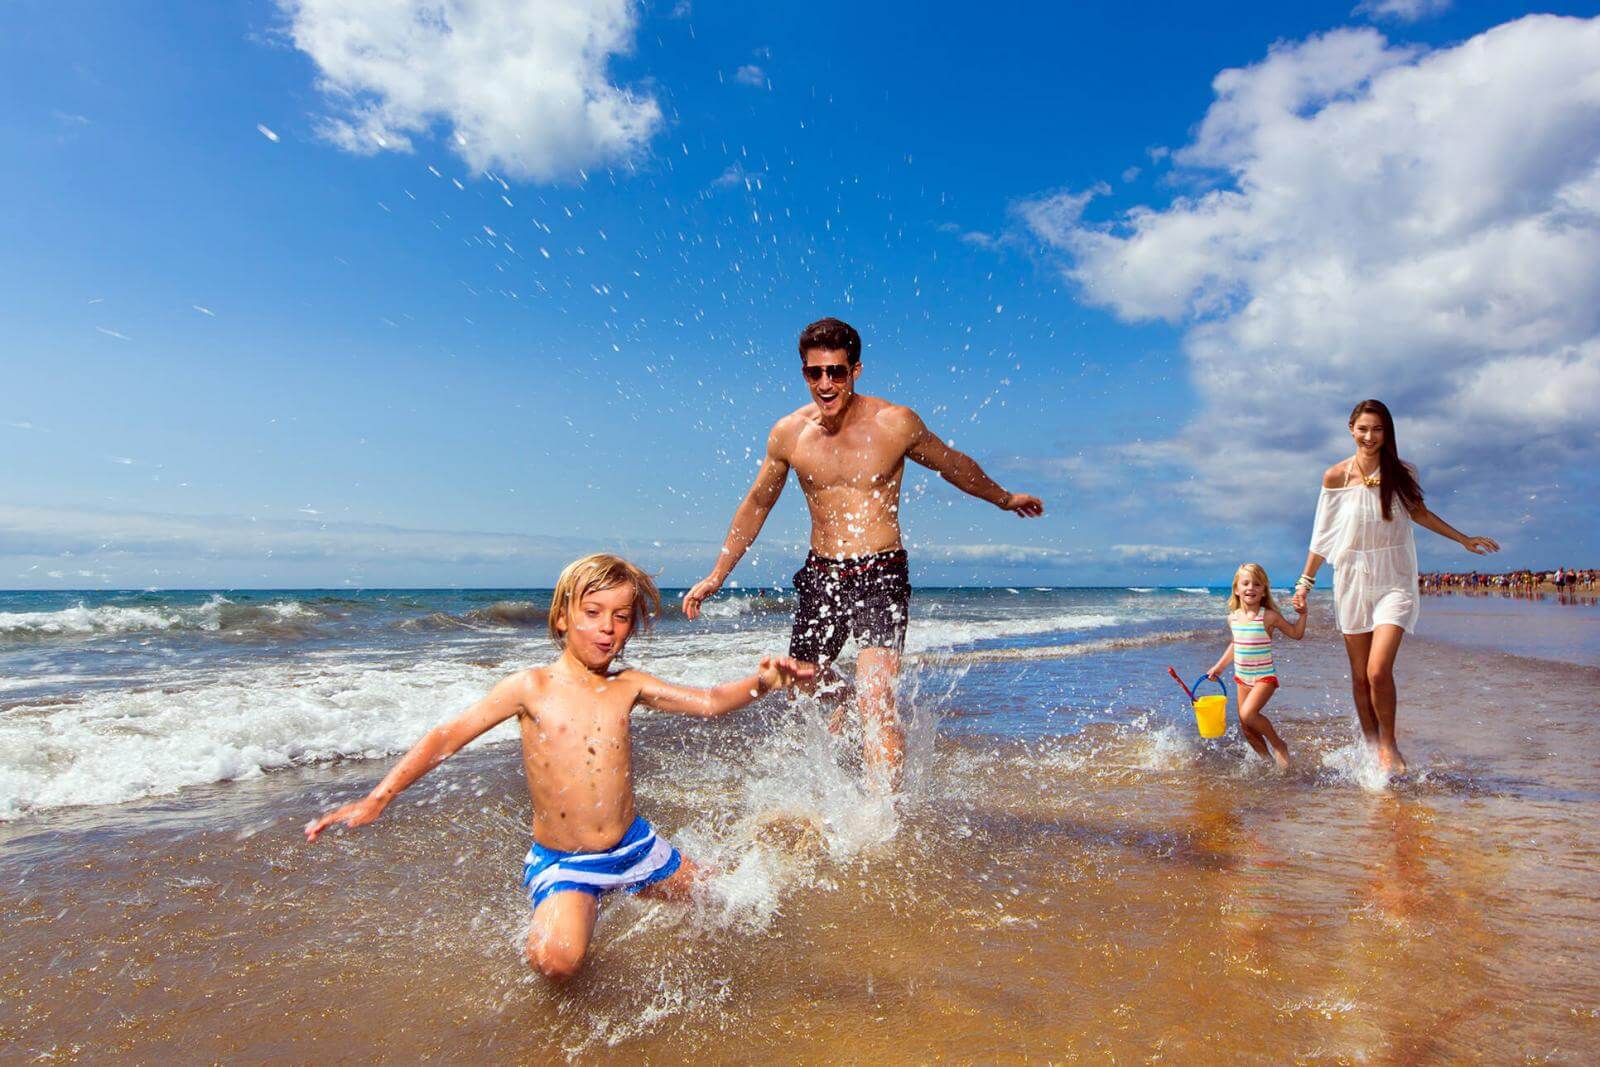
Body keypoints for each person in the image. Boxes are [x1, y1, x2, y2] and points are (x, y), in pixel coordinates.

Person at [304, 553, 812, 980]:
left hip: (632, 846)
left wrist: (761, 683)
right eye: (593, 612)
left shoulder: (627, 685)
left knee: (727, 901)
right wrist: (378, 797)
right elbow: (446, 737)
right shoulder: (530, 688)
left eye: (621, 616)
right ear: (563, 616)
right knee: (558, 963)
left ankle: (770, 847)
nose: (607, 628)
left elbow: (709, 701)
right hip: (567, 859)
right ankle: (569, 907)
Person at [681, 317, 1043, 787]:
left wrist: (1004, 498)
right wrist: (717, 574)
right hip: (821, 575)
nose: (826, 384)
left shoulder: (895, 424)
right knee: (803, 691)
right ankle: (846, 701)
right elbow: (757, 503)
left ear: (856, 370)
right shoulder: (789, 434)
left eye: (837, 371)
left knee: (878, 699)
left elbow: (953, 465)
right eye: (815, 373)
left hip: (881, 571)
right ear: (804, 374)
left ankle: (882, 824)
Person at [1291, 400, 1499, 774]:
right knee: (1358, 675)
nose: (1370, 437)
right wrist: (1305, 581)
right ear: (1351, 429)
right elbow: (1322, 535)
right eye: (1363, 429)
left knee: (1377, 670)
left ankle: (1389, 745)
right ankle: (1370, 748)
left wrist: (1463, 539)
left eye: (1378, 429)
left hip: (1395, 576)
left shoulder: (1402, 471)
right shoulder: (1335, 476)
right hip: (1352, 577)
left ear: (1388, 432)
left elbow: (1418, 513)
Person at [1206, 563, 1305, 770]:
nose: (1251, 587)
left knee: (1248, 714)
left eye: (1257, 584)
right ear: (1236, 589)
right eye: (1246, 583)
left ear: (1263, 591)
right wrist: (1219, 667)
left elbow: (1296, 634)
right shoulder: (1233, 618)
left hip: (1264, 677)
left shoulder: (1268, 616)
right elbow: (1236, 643)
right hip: (1242, 678)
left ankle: (1279, 745)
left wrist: (1303, 615)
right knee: (1247, 727)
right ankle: (1267, 763)